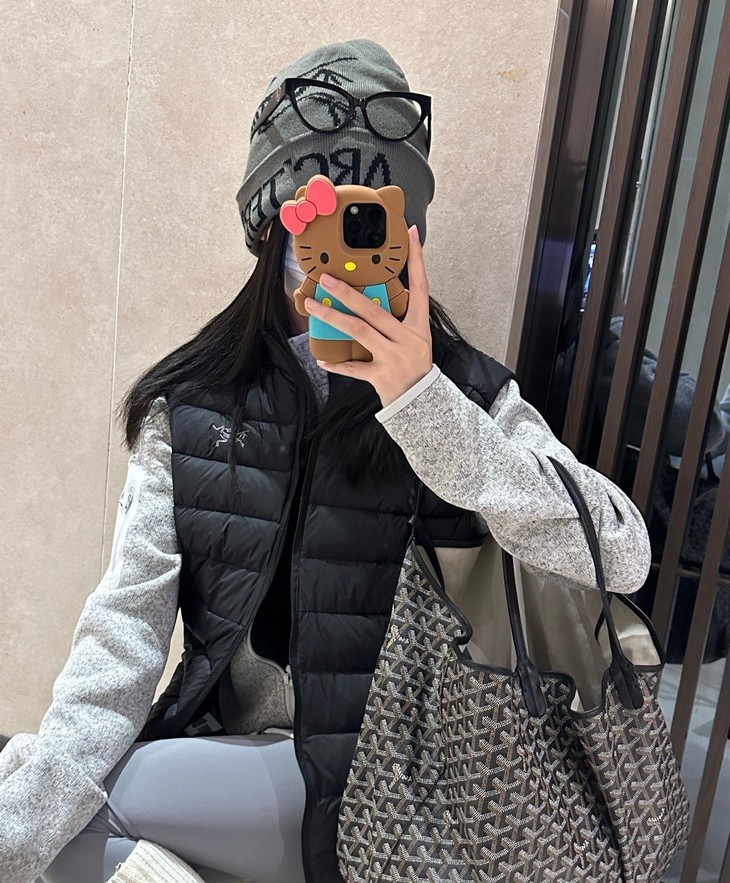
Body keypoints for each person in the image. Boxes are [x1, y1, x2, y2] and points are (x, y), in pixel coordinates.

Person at [0, 39, 653, 883]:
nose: (336, 257)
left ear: (405, 236)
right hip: (240, 755)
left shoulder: (466, 397)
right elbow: (122, 636)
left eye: (365, 222)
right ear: (268, 226)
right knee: (48, 805)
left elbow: (621, 550)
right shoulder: (193, 404)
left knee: (74, 816)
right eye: (311, 222)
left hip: (403, 796)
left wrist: (425, 406)